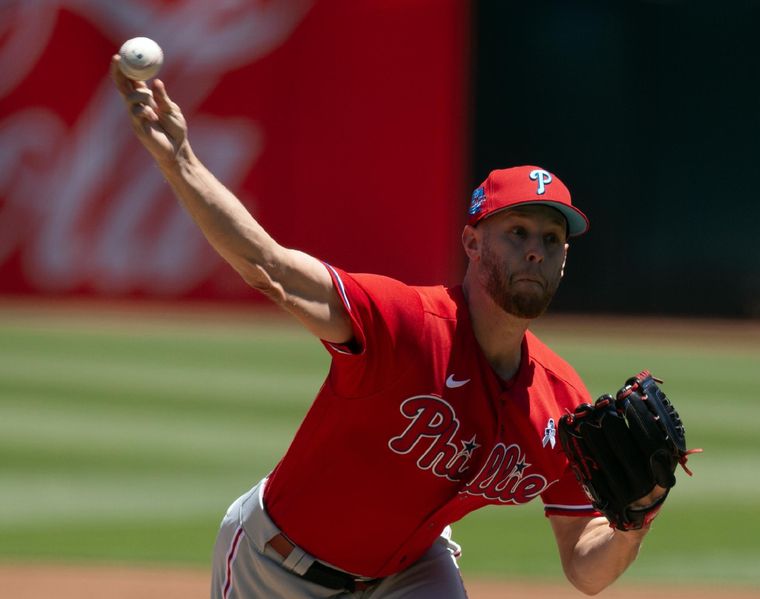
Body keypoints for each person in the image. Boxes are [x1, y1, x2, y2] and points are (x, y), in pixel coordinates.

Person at [111, 55, 665, 598]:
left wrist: (635, 521)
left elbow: (585, 570)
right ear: (472, 242)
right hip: (277, 565)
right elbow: (271, 268)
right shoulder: (405, 323)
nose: (536, 252)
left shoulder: (560, 401)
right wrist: (179, 159)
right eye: (517, 231)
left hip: (409, 572)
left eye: (552, 239)